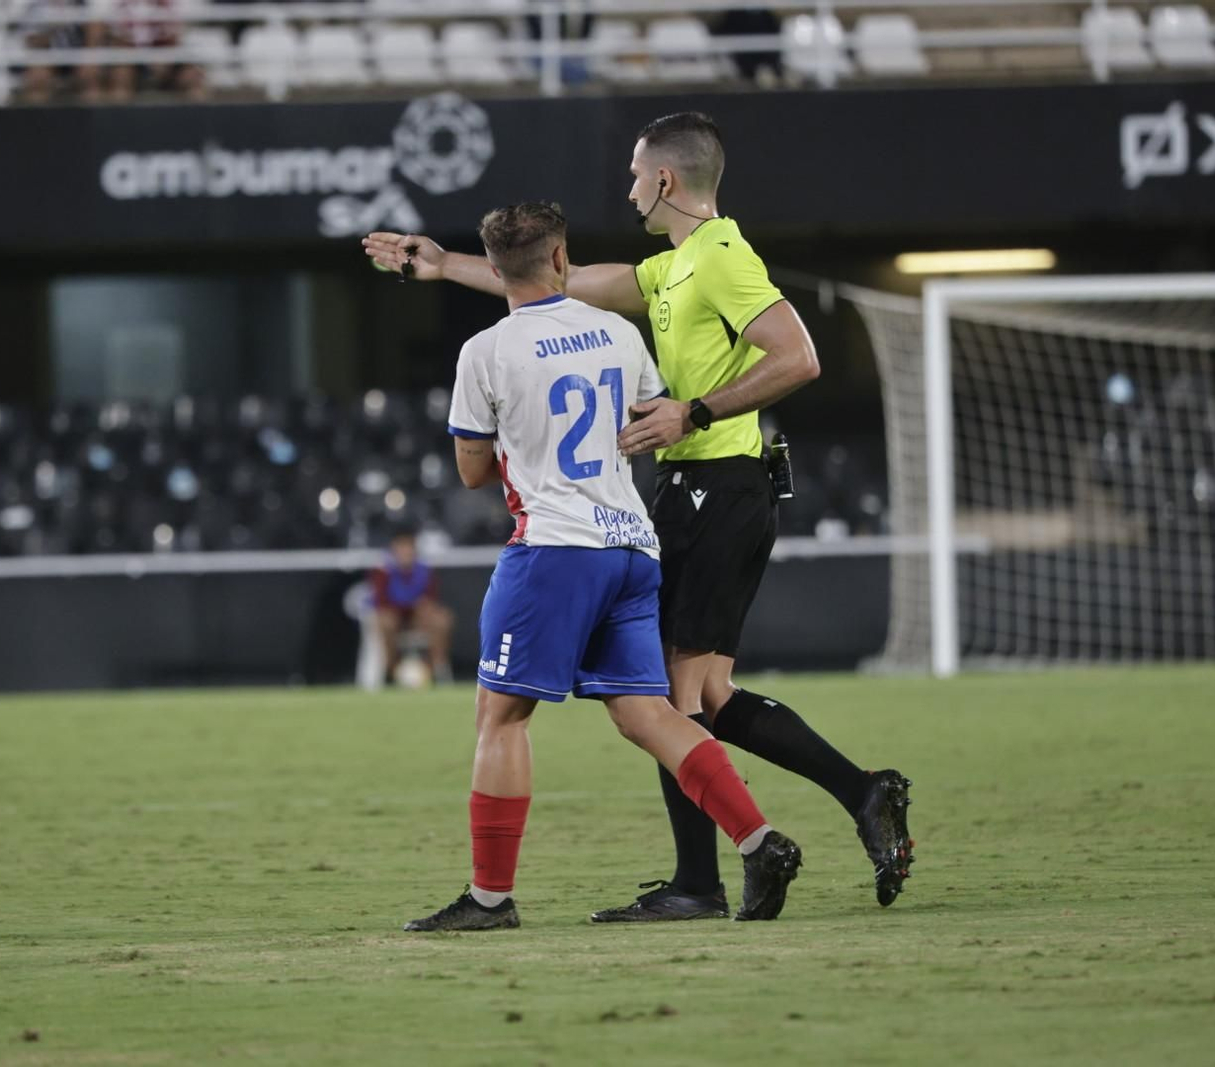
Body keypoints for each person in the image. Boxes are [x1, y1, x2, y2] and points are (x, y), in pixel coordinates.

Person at [365, 112, 914, 920]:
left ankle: (718, 872)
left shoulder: (722, 258)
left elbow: (799, 356)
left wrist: (695, 411)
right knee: (694, 697)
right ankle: (843, 800)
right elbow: (558, 286)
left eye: (633, 174)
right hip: (674, 503)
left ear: (665, 180)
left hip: (716, 484)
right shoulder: (673, 267)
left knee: (675, 699)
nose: (625, 188)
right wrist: (447, 266)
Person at [403, 202, 801, 932]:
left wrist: (526, 444)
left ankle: (490, 899)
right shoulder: (619, 332)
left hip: (553, 549)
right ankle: (758, 837)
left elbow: (471, 469)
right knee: (647, 712)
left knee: (501, 715)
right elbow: (644, 424)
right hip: (631, 544)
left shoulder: (486, 352)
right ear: (561, 259)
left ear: (493, 269)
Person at [368, 528, 454, 685]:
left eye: (409, 547)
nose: (405, 552)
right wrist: (403, 604)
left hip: (417, 617)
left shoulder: (424, 570)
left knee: (441, 619)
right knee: (386, 621)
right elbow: (379, 602)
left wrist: (423, 606)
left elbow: (431, 598)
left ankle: (435, 669)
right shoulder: (383, 571)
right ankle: (392, 671)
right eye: (401, 548)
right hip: (394, 617)